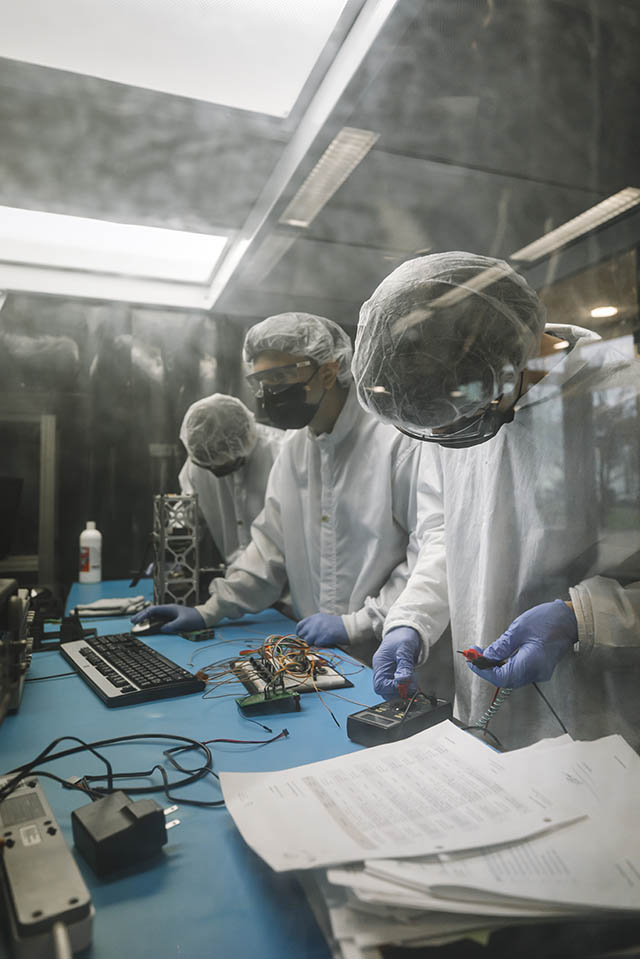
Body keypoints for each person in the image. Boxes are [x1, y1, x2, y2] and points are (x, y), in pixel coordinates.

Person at [352, 251, 640, 748]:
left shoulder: (624, 400)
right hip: (479, 718)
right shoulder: (455, 407)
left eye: (458, 412)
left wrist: (585, 617)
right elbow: (447, 534)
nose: (446, 431)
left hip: (599, 730)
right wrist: (411, 623)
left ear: (508, 361)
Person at [133, 312, 420, 657]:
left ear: (328, 371)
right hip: (319, 652)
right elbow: (269, 549)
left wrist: (361, 621)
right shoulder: (295, 452)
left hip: (389, 650)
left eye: (279, 378)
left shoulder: (395, 440)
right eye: (259, 383)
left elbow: (427, 552)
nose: (268, 394)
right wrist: (209, 611)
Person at [178, 393, 283, 564]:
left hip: (287, 582)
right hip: (234, 577)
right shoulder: (198, 460)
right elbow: (189, 516)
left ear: (244, 439)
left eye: (225, 464)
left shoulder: (281, 453)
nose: (215, 471)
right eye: (208, 466)